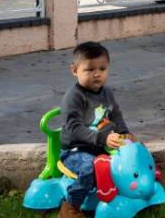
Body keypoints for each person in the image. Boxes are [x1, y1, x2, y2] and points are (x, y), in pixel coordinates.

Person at [58, 42, 134, 218]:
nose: (97, 74)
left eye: (102, 68)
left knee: (129, 157)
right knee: (89, 168)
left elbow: (115, 114)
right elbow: (74, 128)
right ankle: (70, 206)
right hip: (76, 150)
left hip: (102, 145)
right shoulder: (74, 97)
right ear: (74, 70)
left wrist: (123, 132)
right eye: (89, 69)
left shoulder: (106, 92)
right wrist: (103, 138)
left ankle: (123, 194)